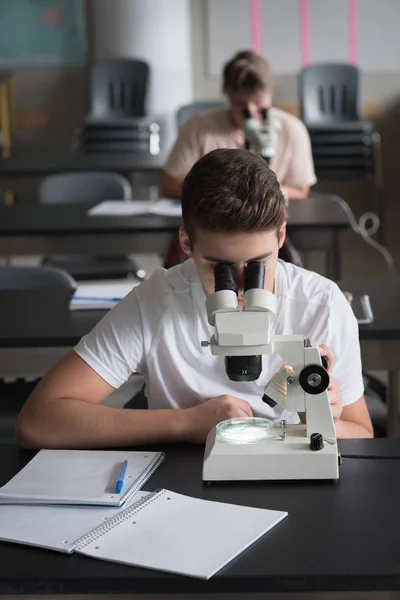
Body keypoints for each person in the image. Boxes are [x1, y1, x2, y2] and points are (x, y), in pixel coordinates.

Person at [17, 149, 373, 449]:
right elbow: (37, 421)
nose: (239, 288)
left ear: (281, 235)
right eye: (220, 268)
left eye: (256, 266)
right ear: (186, 245)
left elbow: (362, 434)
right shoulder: (157, 300)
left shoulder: (321, 303)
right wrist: (186, 423)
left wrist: (322, 421)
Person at [160, 50, 317, 268]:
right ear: (228, 97)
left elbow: (301, 189)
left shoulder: (292, 129)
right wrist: (221, 195)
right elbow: (169, 183)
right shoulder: (199, 128)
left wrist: (261, 196)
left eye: (260, 108)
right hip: (211, 231)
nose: (251, 115)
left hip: (267, 228)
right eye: (242, 108)